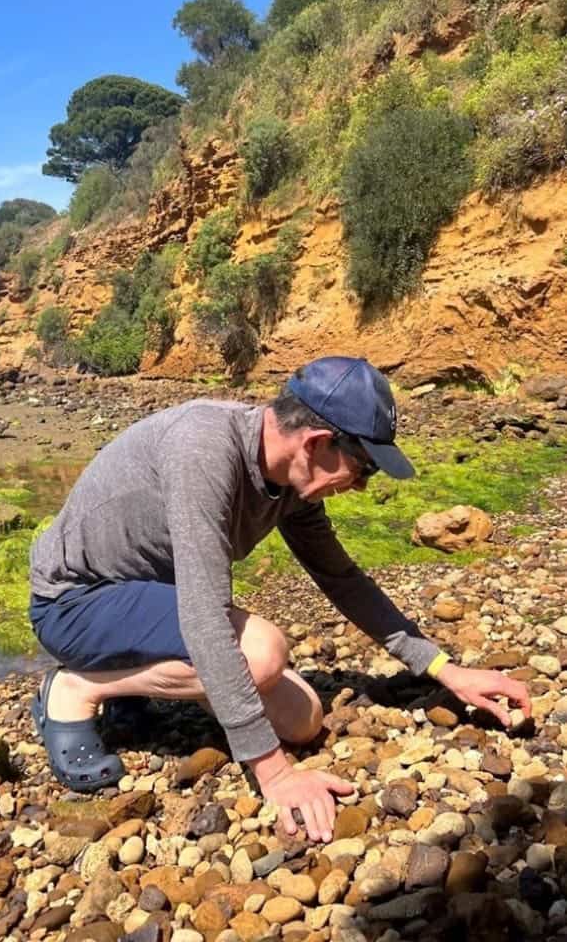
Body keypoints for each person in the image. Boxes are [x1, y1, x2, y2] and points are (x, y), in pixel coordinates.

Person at [28, 356, 531, 843]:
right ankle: (76, 688)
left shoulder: (292, 482)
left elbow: (341, 578)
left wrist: (444, 669)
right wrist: (274, 775)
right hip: (75, 603)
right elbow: (204, 616)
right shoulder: (204, 450)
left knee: (303, 719)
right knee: (263, 653)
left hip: (149, 601)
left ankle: (131, 687)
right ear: (316, 442)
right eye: (362, 469)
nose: (358, 487)